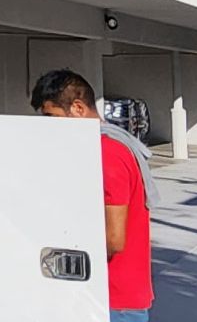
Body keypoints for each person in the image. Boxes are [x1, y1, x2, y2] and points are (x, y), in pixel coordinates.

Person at [30, 69, 154, 321]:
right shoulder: (114, 144)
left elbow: (114, 238)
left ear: (77, 108)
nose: (48, 127)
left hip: (111, 298)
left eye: (51, 117)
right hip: (112, 295)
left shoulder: (106, 152)